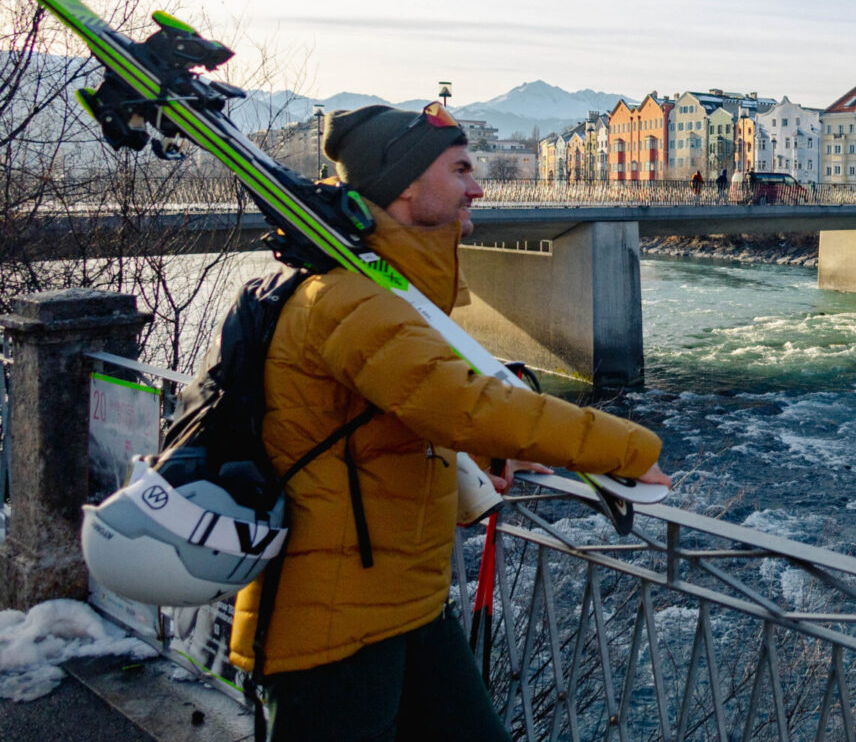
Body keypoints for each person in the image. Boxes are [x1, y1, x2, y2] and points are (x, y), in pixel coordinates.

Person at [229, 103, 669, 742]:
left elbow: (391, 417)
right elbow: (464, 404)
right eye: (460, 169)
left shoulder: (380, 296)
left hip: (403, 605)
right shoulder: (350, 300)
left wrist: (490, 455)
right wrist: (624, 447)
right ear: (406, 185)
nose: (477, 187)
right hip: (333, 626)